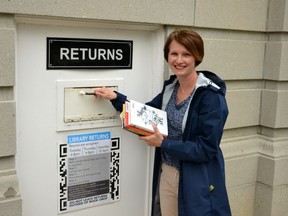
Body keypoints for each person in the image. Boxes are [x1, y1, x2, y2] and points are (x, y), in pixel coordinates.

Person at [95, 29, 231, 216]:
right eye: (174, 53)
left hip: (196, 178)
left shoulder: (211, 97)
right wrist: (116, 98)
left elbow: (206, 149)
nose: (179, 60)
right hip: (168, 173)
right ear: (167, 55)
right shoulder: (171, 88)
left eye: (186, 54)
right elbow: (145, 114)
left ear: (197, 57)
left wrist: (163, 143)